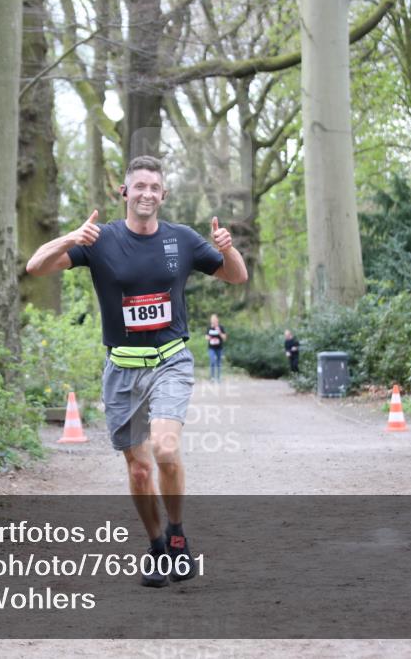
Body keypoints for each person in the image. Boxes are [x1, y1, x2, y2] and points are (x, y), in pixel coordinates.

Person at [25, 155, 248, 587]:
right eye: (139, 186)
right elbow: (35, 266)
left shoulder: (181, 240)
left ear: (164, 196)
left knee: (164, 450)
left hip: (170, 361)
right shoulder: (100, 239)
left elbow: (236, 277)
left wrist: (227, 247)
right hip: (121, 370)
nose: (147, 193)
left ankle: (179, 537)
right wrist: (72, 236)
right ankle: (157, 546)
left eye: (154, 187)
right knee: (139, 469)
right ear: (124, 193)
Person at [205, 314, 227, 382]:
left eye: (214, 319)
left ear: (217, 320)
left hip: (219, 348)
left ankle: (219, 377)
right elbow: (206, 337)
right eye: (212, 319)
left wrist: (219, 331)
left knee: (219, 363)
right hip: (211, 348)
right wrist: (209, 337)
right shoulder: (209, 328)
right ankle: (212, 377)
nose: (213, 321)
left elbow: (224, 338)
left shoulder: (221, 327)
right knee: (212, 361)